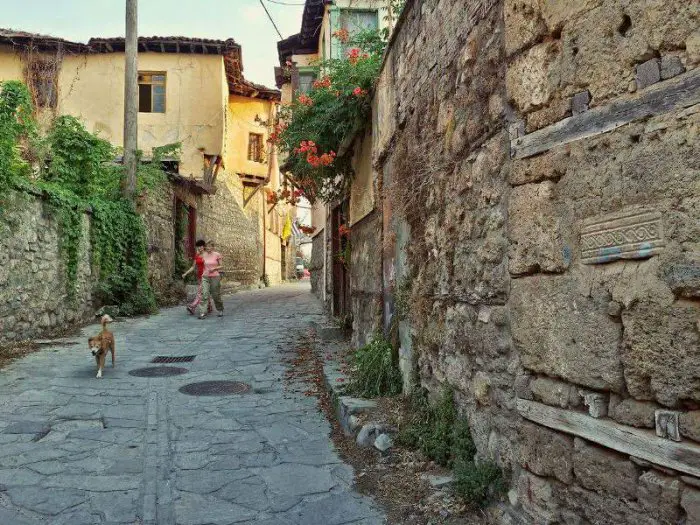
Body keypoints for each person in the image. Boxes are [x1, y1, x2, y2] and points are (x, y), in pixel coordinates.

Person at [182, 239, 212, 315]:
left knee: (200, 292)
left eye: (201, 246)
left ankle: (193, 307)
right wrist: (185, 273)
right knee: (204, 292)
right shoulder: (197, 255)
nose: (199, 248)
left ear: (203, 246)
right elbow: (193, 267)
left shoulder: (207, 254)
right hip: (199, 276)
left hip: (206, 276)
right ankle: (209, 306)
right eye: (198, 247)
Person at [199, 240, 224, 318]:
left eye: (210, 246)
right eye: (207, 246)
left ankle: (220, 309)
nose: (208, 248)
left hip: (215, 277)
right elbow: (199, 262)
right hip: (205, 276)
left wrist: (214, 269)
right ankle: (202, 312)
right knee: (204, 294)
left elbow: (221, 266)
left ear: (213, 247)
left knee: (215, 294)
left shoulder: (217, 255)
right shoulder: (203, 254)